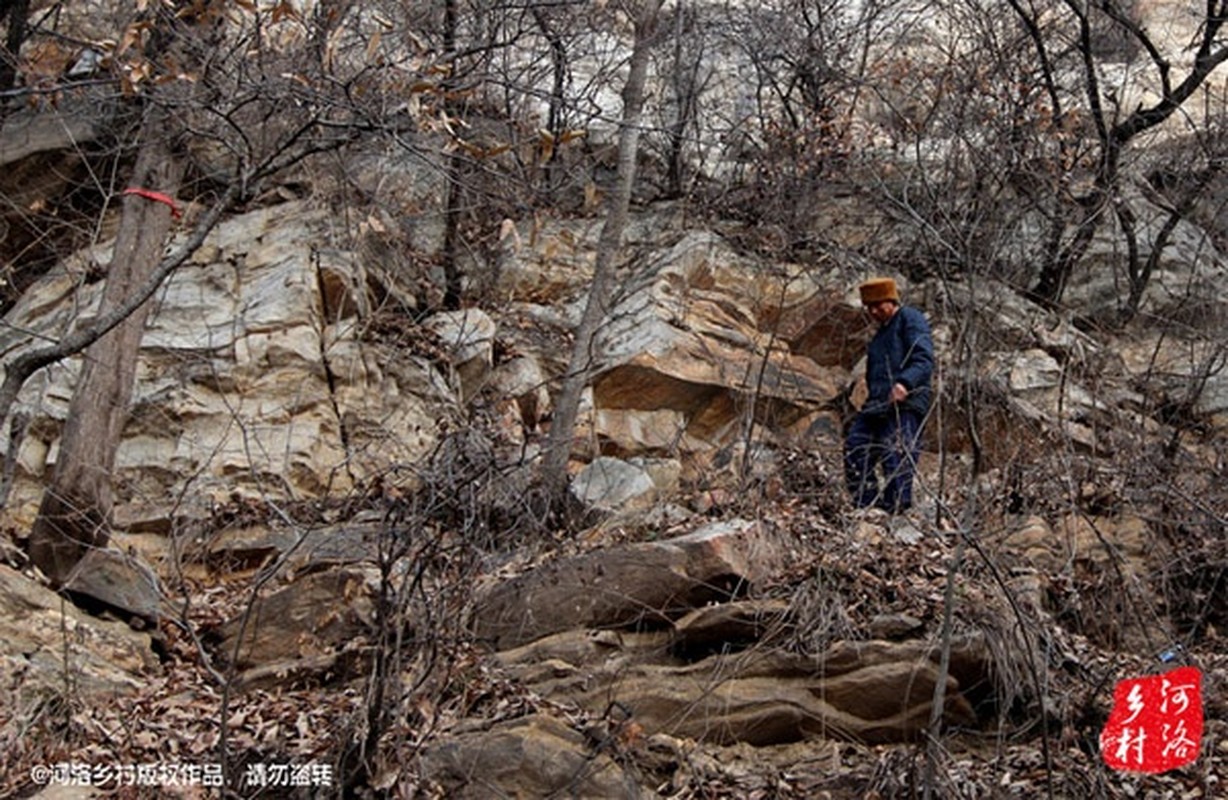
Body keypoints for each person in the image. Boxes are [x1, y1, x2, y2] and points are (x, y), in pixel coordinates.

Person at [843, 277, 934, 513]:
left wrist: (905, 384)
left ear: (891, 300)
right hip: (878, 404)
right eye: (869, 307)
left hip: (907, 402)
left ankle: (896, 511)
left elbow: (923, 359)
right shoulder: (878, 337)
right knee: (856, 447)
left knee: (897, 453)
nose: (873, 311)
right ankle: (867, 505)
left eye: (878, 305)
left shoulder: (910, 319)